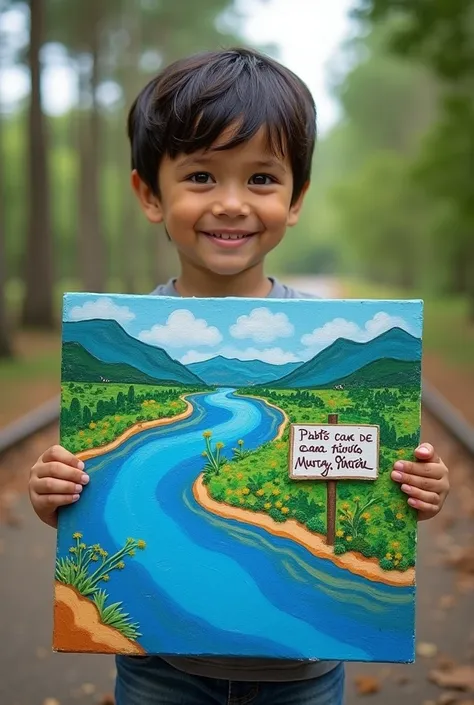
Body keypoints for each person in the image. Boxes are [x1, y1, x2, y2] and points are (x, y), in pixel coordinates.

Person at [29, 48, 450, 705]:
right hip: (157, 667)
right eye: (200, 176)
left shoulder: (334, 333)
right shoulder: (119, 335)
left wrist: (416, 487)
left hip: (304, 674)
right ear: (149, 194)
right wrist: (53, 491)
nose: (231, 203)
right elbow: (85, 492)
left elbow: (365, 485)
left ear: (296, 198)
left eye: (261, 179)